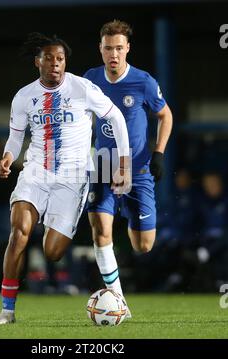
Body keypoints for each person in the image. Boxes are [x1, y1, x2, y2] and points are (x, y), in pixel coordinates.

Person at [0, 32, 131, 324]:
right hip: (35, 173)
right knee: (19, 233)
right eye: (49, 58)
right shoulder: (24, 97)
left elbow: (116, 117)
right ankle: (7, 310)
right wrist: (7, 157)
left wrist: (123, 162)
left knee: (52, 252)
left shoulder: (82, 88)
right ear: (37, 62)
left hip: (73, 178)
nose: (55, 63)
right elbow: (16, 139)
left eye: (61, 58)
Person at [84, 20, 173, 304]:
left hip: (138, 169)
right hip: (105, 166)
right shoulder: (90, 80)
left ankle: (127, 214)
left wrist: (158, 152)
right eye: (108, 48)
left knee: (143, 245)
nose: (114, 54)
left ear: (128, 49)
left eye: (119, 48)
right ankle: (118, 301)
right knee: (100, 231)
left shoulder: (144, 82)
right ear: (100, 49)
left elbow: (165, 116)